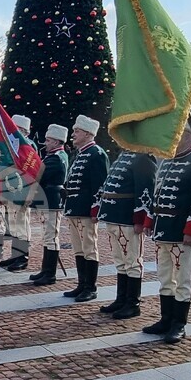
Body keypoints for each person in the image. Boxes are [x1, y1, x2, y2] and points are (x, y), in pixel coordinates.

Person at [142, 114, 191, 344]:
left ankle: (179, 323)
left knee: (183, 279)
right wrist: (150, 221)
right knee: (165, 277)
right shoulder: (167, 161)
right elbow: (157, 195)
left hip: (181, 231)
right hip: (163, 229)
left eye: (178, 131)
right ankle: (166, 318)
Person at [97, 149, 158, 320]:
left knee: (132, 261)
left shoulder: (144, 158)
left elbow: (145, 190)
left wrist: (141, 219)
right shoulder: (123, 155)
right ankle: (121, 299)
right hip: (114, 215)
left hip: (128, 217)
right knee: (120, 261)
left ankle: (133, 304)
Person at [62, 115, 110, 302]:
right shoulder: (81, 153)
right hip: (74, 208)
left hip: (86, 210)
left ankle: (91, 287)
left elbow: (99, 185)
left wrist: (95, 209)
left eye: (77, 131)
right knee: (78, 249)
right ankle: (81, 284)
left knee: (89, 248)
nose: (73, 134)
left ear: (89, 134)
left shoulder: (96, 154)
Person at [28, 124, 69, 286]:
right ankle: (46, 270)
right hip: (48, 199)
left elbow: (41, 175)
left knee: (51, 236)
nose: (45, 142)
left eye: (48, 140)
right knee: (47, 236)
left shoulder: (57, 157)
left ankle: (50, 273)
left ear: (57, 141)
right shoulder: (52, 156)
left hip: (52, 199)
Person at [0, 114, 36, 272]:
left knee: (21, 224)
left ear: (23, 131)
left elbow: (31, 170)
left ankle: (22, 257)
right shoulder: (11, 145)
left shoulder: (28, 146)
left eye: (16, 129)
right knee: (13, 224)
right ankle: (15, 255)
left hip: (23, 190)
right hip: (12, 189)